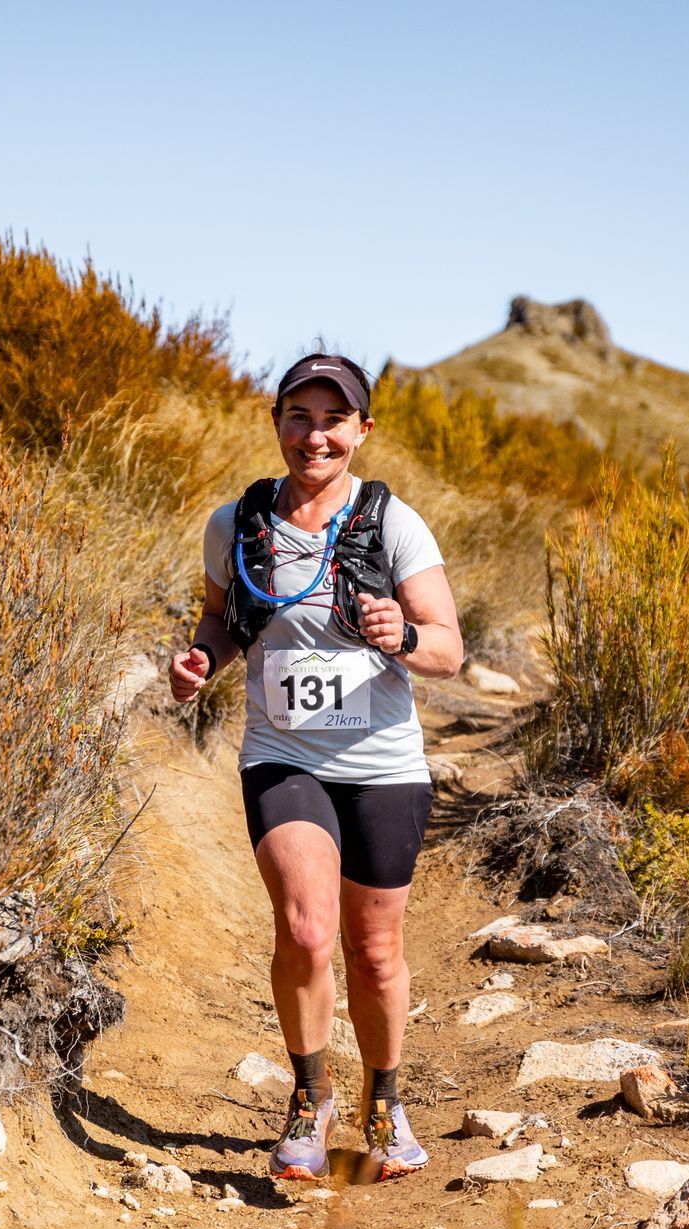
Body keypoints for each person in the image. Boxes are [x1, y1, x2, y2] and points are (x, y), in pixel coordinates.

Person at [169, 351, 463, 1183]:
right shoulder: (237, 523)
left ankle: (384, 1101)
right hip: (283, 753)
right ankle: (309, 1098)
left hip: (383, 762)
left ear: (361, 432)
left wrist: (399, 635)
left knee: (373, 952)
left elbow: (448, 648)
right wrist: (200, 660)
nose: (315, 436)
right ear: (277, 423)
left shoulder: (395, 524)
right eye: (300, 416)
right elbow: (222, 620)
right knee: (305, 928)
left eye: (334, 420)